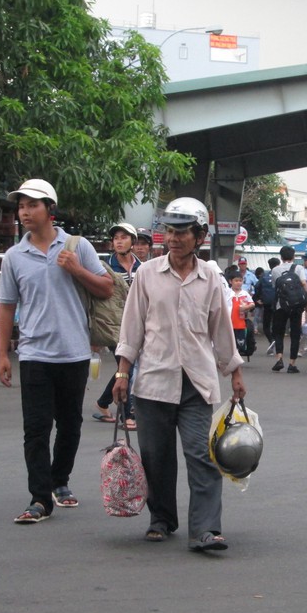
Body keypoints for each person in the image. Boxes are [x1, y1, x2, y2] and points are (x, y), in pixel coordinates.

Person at [112, 197, 245, 552]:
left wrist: (234, 372)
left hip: (197, 383)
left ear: (199, 236)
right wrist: (122, 374)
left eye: (182, 232)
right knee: (156, 456)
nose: (173, 238)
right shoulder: (146, 275)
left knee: (202, 454)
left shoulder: (211, 279)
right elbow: (132, 327)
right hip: (153, 379)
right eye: (170, 231)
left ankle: (206, 529)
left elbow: (220, 330)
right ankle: (162, 518)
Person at [0, 179, 113, 524]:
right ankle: (39, 498)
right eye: (20, 206)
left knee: (70, 424)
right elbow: (6, 307)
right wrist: (3, 354)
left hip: (74, 353)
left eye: (31, 205)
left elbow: (106, 288)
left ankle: (60, 480)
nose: (24, 212)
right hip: (33, 354)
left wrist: (76, 269)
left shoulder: (78, 247)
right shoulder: (14, 256)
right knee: (35, 428)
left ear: (50, 209)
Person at [93, 222, 140, 427]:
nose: (119, 241)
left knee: (126, 365)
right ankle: (127, 415)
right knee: (129, 364)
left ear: (133, 241)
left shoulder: (142, 266)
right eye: (116, 238)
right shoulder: (104, 266)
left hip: (137, 322)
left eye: (124, 237)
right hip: (113, 324)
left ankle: (103, 402)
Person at [270, 245, 307, 374]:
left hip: (281, 305)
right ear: (293, 256)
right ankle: (292, 363)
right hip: (297, 305)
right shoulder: (299, 268)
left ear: (281, 257)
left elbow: (275, 286)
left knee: (279, 332)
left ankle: (279, 358)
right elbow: (303, 284)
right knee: (295, 334)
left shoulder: (275, 270)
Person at [228, 270, 255, 356]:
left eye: (240, 280)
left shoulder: (244, 293)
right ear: (230, 281)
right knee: (229, 345)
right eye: (236, 280)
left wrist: (245, 307)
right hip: (228, 324)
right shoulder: (227, 293)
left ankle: (236, 361)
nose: (238, 283)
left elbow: (252, 304)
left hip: (240, 324)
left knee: (240, 345)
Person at [255, 257, 279, 354]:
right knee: (276, 324)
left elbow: (257, 287)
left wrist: (258, 299)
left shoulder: (264, 276)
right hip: (277, 303)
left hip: (267, 304)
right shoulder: (280, 276)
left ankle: (271, 340)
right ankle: (275, 342)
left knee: (266, 325)